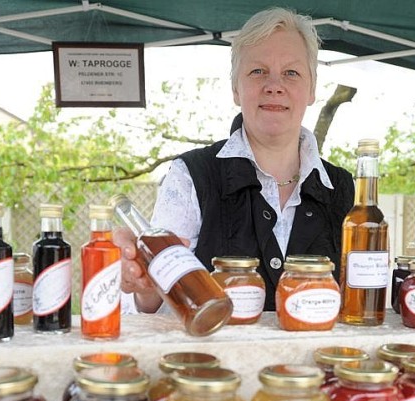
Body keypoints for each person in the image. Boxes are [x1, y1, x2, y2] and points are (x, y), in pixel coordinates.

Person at [117, 7, 354, 313]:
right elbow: (155, 296)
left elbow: (363, 301)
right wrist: (143, 286)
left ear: (311, 89)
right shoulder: (192, 175)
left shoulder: (345, 190)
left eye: (291, 73)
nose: (274, 85)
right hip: (215, 360)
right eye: (258, 71)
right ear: (235, 88)